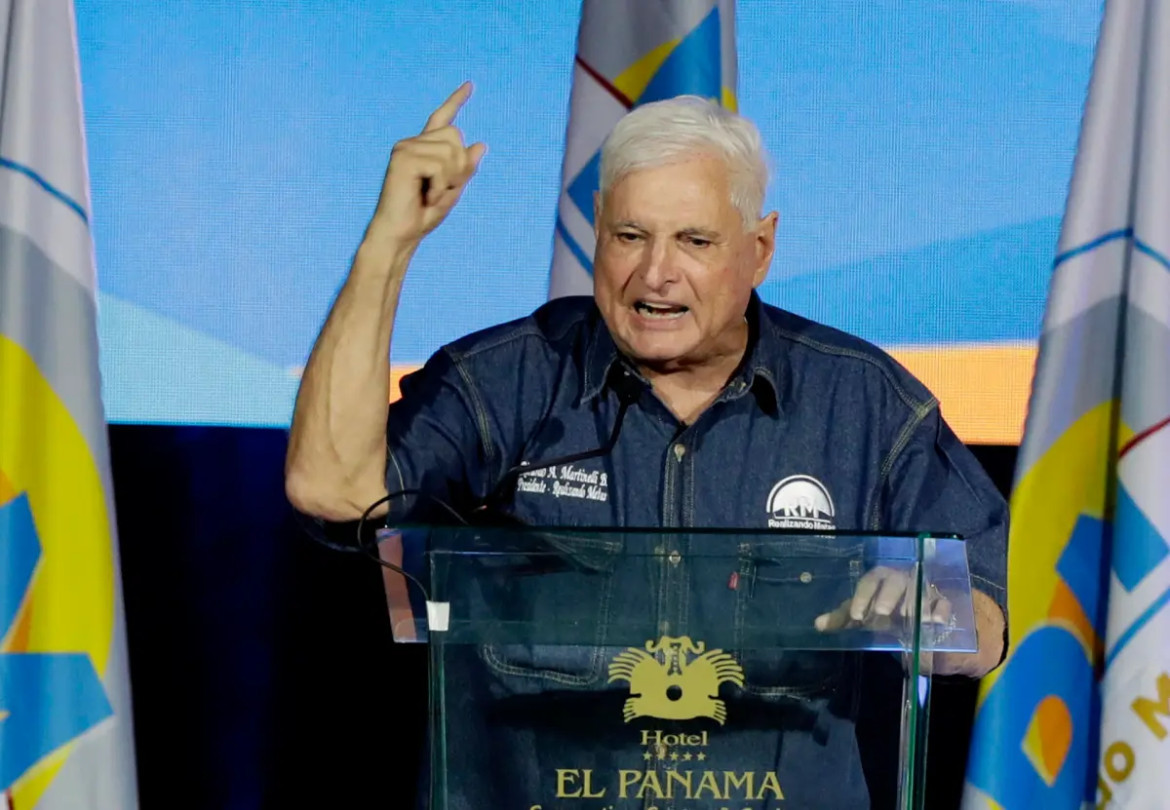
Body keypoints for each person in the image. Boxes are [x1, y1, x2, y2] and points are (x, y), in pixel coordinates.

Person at [286, 82, 1008, 808]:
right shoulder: (507, 382)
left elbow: (986, 625)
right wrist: (389, 243)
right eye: (630, 236)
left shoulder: (862, 402)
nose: (655, 272)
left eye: (694, 241)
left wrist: (928, 609)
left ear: (759, 250)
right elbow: (331, 487)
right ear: (596, 228)